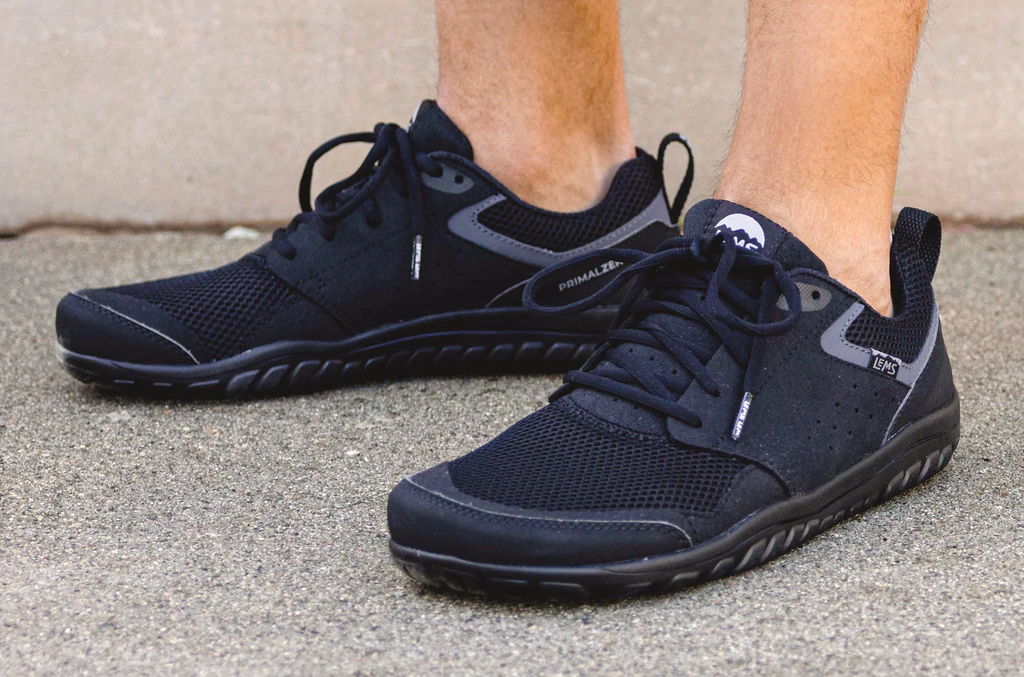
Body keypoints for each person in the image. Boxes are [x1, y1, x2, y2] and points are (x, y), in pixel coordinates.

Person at [56, 0, 959, 599]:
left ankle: (829, 265)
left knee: (799, 226)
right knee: (521, 135)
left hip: (835, 305)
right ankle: (529, 161)